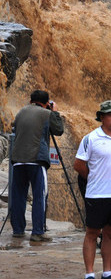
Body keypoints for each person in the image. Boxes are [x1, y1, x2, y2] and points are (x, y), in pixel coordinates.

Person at [74, 100, 111, 279]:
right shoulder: (90, 138)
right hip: (97, 194)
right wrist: (93, 179)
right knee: (92, 232)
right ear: (102, 117)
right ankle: (89, 273)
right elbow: (78, 164)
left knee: (110, 233)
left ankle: (107, 272)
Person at [9, 89, 64, 242]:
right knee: (40, 195)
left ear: (31, 101)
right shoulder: (46, 114)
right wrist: (55, 112)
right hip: (36, 160)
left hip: (18, 160)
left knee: (18, 196)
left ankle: (18, 230)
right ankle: (38, 232)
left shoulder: (20, 112)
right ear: (46, 103)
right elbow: (58, 130)